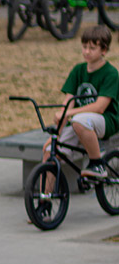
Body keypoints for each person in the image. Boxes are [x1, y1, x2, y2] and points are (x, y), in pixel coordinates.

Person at [40, 25, 118, 179]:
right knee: (50, 150)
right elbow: (68, 102)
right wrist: (57, 135)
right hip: (81, 122)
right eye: (84, 47)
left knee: (78, 120)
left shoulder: (111, 73)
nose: (86, 52)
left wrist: (69, 113)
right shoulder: (78, 70)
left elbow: (100, 107)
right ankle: (45, 198)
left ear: (104, 50)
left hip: (106, 121)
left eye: (92, 48)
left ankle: (97, 163)